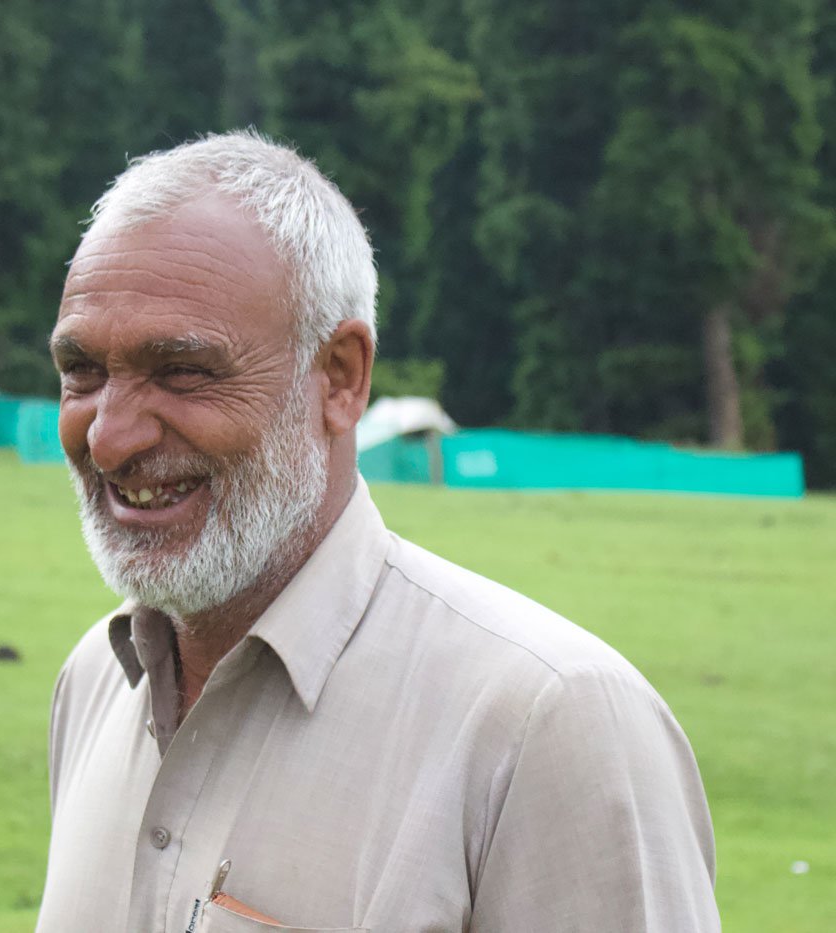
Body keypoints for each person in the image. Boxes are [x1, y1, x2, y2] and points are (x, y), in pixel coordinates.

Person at [37, 131, 719, 932]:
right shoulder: (94, 682)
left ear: (339, 378)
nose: (109, 437)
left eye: (183, 370)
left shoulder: (549, 724)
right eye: (82, 371)